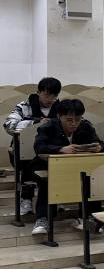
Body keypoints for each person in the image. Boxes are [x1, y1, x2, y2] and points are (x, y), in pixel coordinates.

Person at [31, 99, 101, 236]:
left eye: (77, 119)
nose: (74, 123)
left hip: (77, 166)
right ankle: (42, 219)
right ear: (59, 116)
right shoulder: (48, 127)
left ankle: (88, 218)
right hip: (47, 165)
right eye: (69, 120)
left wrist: (98, 147)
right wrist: (60, 149)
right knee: (48, 181)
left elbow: (100, 143)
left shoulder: (86, 127)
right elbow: (39, 147)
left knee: (91, 179)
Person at [5, 75, 60, 219]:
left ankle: (56, 198)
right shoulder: (24, 106)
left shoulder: (61, 108)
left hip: (50, 150)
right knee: (29, 160)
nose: (50, 100)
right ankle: (26, 199)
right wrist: (35, 122)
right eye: (47, 95)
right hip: (24, 151)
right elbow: (9, 125)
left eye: (54, 96)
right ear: (38, 92)